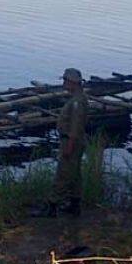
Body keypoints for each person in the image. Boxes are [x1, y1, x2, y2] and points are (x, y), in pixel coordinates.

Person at [49, 68, 88, 216]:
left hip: (71, 141)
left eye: (66, 81)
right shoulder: (78, 98)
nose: (64, 83)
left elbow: (75, 126)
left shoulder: (77, 102)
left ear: (73, 82)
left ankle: (52, 206)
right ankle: (74, 204)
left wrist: (69, 146)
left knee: (62, 174)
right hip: (74, 141)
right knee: (74, 174)